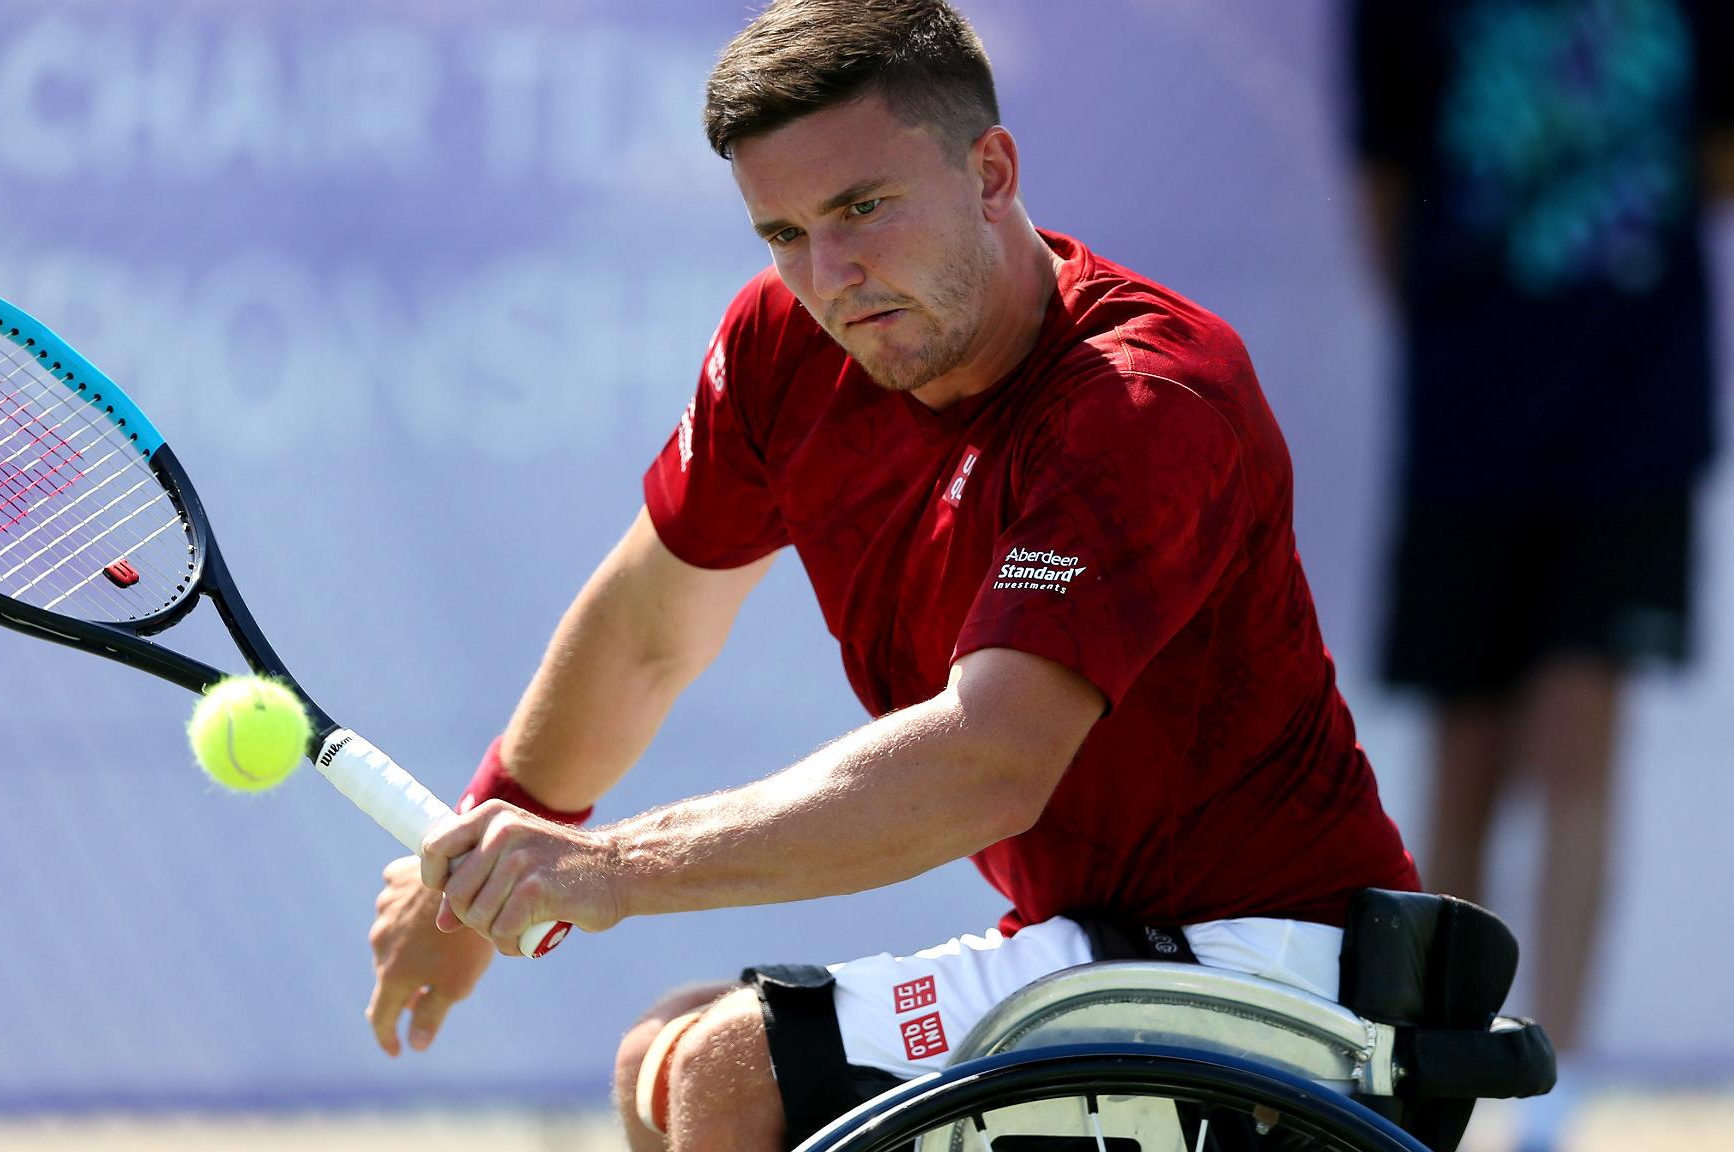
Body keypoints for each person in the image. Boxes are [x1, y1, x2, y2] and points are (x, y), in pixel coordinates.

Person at [371, 2, 1419, 1148]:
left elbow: (987, 762)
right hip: (1106, 952)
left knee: (727, 1065)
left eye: (861, 208)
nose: (830, 275)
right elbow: (646, 629)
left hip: (1282, 977)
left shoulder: (1138, 402)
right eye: (781, 233)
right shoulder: (786, 342)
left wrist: (611, 866)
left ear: (991, 171)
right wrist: (491, 853)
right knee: (661, 1059)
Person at [1349, 3, 1729, 1145]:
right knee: (1464, 749)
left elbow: (1709, 161)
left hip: (1631, 411)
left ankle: (1552, 1078)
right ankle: (1437, 1060)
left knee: (1579, 730)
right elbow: (1380, 184)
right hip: (1467, 414)